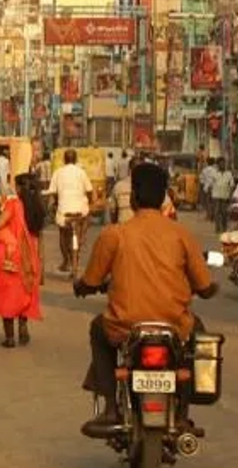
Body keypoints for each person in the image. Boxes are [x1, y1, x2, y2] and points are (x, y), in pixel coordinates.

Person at [73, 163, 218, 437]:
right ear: (164, 196)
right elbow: (204, 285)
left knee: (97, 329)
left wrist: (81, 287)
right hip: (175, 325)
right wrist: (211, 289)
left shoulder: (115, 234)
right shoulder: (182, 235)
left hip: (125, 326)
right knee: (195, 340)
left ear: (134, 198)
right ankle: (183, 413)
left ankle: (110, 408)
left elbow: (91, 281)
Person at [0, 174, 45, 348]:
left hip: (10, 255)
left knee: (7, 295)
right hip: (29, 255)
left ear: (19, 188)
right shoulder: (38, 207)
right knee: (24, 291)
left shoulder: (13, 204)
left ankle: (9, 338)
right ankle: (23, 324)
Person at [46, 149, 94, 272]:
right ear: (76, 159)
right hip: (80, 210)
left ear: (64, 160)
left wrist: (57, 202)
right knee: (88, 215)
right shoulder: (81, 172)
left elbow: (53, 192)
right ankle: (81, 237)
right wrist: (90, 201)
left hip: (64, 211)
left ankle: (66, 261)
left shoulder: (58, 172)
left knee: (62, 234)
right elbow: (89, 190)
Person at [211, 159, 234, 233]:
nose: (222, 165)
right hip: (216, 196)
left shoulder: (229, 174)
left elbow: (232, 185)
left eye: (223, 163)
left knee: (224, 213)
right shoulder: (214, 173)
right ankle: (217, 228)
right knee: (217, 213)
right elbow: (211, 184)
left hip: (225, 196)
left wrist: (230, 195)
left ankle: (224, 228)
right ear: (218, 165)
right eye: (221, 164)